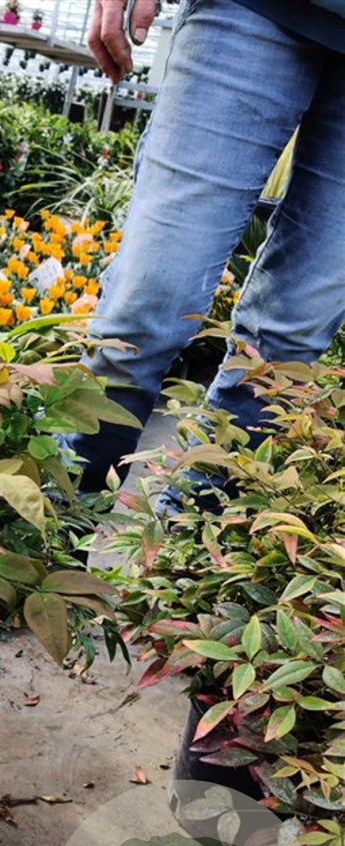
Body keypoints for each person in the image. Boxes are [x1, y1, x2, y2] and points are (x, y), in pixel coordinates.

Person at [60, 0, 345, 494]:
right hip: (247, 11)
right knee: (146, 311)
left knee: (282, 358)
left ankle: (192, 534)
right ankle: (59, 518)